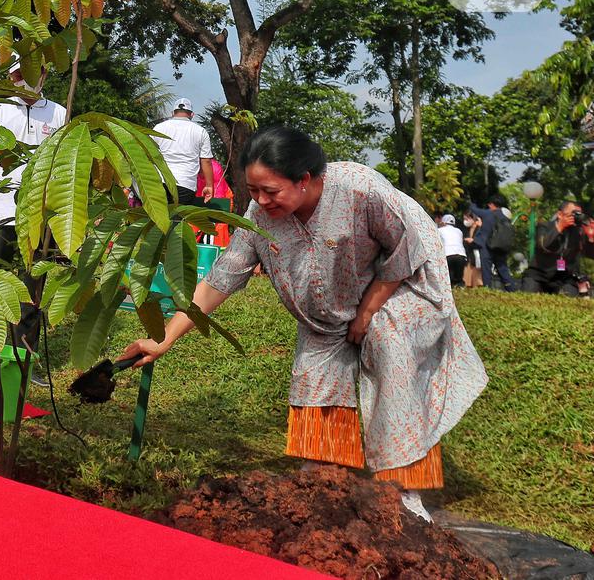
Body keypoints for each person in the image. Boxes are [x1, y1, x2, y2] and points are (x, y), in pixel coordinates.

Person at [120, 126, 488, 523]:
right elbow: (219, 280)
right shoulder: (259, 217)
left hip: (402, 285)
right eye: (253, 190)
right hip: (327, 307)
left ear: (305, 180)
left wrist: (366, 314)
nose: (261, 201)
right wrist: (164, 338)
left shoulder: (360, 190)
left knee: (388, 342)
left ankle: (403, 495)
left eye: (271, 191)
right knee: (316, 372)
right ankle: (324, 480)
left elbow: (405, 250)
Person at [0, 61, 66, 357]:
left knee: (33, 283)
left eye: (31, 73)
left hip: (41, 211)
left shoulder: (59, 113)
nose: (25, 80)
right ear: (10, 76)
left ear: (43, 74)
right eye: (19, 74)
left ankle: (24, 351)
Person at [520, 201, 594, 296]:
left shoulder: (578, 232)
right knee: (529, 293)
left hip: (563, 277)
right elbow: (543, 245)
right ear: (560, 214)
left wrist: (591, 238)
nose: (576, 217)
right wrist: (560, 226)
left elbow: (588, 254)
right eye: (574, 213)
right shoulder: (544, 226)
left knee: (570, 296)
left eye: (579, 214)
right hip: (539, 274)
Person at [151, 97, 214, 206]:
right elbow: (206, 161)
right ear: (192, 115)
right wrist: (209, 186)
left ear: (172, 113)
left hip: (159, 182)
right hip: (185, 184)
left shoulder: (158, 128)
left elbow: (149, 153)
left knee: (158, 221)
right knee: (179, 220)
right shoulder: (201, 131)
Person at [468, 195, 516, 291]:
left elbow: (474, 209)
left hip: (486, 247)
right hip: (501, 247)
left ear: (491, 204)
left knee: (486, 270)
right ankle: (511, 289)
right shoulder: (505, 216)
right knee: (503, 269)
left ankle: (487, 290)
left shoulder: (487, 213)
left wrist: (471, 202)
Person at [436, 213, 467, 287]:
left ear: (443, 222)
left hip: (448, 254)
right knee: (458, 279)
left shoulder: (439, 230)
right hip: (461, 255)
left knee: (447, 279)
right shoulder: (459, 231)